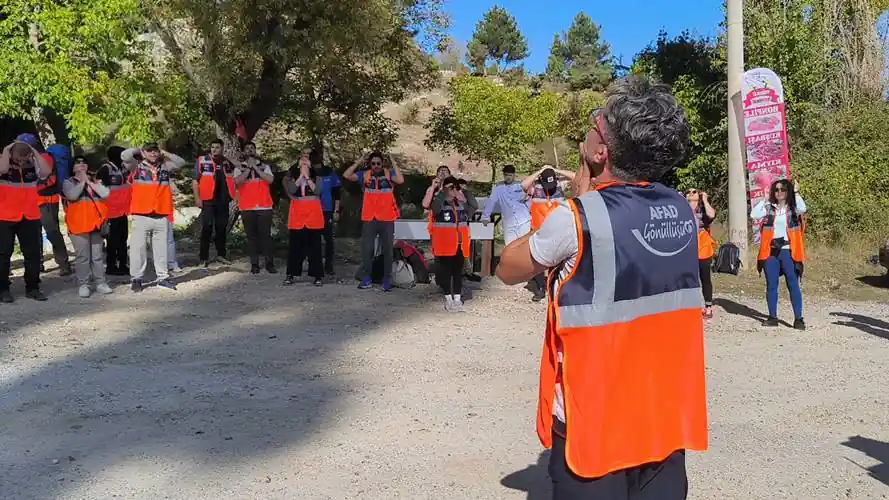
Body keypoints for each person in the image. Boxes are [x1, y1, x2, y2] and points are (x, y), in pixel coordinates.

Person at [495, 76, 708, 498]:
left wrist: (577, 198)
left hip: (594, 426)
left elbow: (508, 268)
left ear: (600, 151)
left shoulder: (576, 218)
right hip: (662, 420)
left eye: (596, 123)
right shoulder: (681, 210)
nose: (590, 126)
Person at [121, 143, 187, 292]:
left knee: (161, 248)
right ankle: (136, 278)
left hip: (161, 213)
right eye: (149, 151)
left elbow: (181, 163)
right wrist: (139, 151)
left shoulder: (165, 166)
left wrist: (165, 152)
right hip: (141, 213)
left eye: (155, 151)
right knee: (138, 249)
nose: (152, 153)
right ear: (143, 153)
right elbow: (124, 155)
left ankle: (162, 278)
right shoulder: (136, 166)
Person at [751, 178, 807, 330]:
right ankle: (772, 317)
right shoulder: (769, 208)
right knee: (771, 285)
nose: (779, 192)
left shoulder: (792, 208)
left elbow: (802, 208)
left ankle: (798, 319)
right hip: (771, 251)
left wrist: (796, 192)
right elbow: (753, 215)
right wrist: (764, 201)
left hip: (789, 251)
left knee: (793, 284)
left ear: (788, 191)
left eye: (783, 189)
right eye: (776, 190)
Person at [343, 151, 404, 291]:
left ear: (382, 163)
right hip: (370, 218)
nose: (376, 166)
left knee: (388, 251)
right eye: (373, 163)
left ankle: (387, 280)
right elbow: (346, 175)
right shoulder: (365, 175)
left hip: (387, 218)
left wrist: (393, 161)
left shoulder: (389, 174)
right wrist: (359, 161)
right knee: (367, 250)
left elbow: (400, 180)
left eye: (378, 163)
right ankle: (366, 279)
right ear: (370, 164)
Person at [0, 141, 53, 302]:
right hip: (5, 216)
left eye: (24, 158)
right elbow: (2, 169)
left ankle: (33, 288)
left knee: (33, 254)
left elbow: (46, 171)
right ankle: (3, 290)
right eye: (18, 159)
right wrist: (6, 149)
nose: (21, 162)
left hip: (30, 216)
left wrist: (34, 152)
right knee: (3, 254)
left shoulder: (32, 165)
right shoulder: (4, 163)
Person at [16, 134, 73, 276]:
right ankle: (38, 262)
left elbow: (42, 176)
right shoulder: (23, 160)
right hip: (32, 201)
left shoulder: (44, 158)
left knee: (52, 232)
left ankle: (63, 263)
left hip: (47, 200)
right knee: (34, 233)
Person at [522, 165, 575, 302]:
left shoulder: (560, 185)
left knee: (557, 260)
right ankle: (540, 288)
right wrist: (540, 171)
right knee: (538, 261)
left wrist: (556, 170)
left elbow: (575, 177)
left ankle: (554, 286)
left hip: (558, 229)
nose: (550, 187)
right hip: (538, 229)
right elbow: (523, 184)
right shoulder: (535, 187)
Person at [62, 157, 113, 298]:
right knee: (82, 257)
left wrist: (89, 182)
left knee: (97, 256)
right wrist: (82, 182)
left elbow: (105, 194)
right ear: (72, 168)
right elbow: (72, 196)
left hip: (96, 224)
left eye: (84, 162)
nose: (81, 165)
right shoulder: (68, 182)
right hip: (78, 225)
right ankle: (83, 284)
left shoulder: (95, 181)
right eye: (77, 163)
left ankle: (100, 282)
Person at [426, 176, 477, 312]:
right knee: (445, 273)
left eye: (454, 187)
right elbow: (434, 208)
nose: (452, 190)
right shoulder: (439, 203)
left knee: (457, 273)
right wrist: (442, 191)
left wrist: (463, 191)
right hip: (443, 245)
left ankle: (457, 298)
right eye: (450, 187)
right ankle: (448, 298)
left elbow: (474, 206)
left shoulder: (460, 204)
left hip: (458, 245)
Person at [193, 139, 237, 267]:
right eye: (212, 147)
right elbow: (195, 181)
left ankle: (221, 255)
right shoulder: (202, 160)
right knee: (207, 227)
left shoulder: (227, 162)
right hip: (208, 199)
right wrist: (197, 198)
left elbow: (235, 178)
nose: (214, 149)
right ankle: (203, 258)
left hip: (223, 200)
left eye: (217, 147)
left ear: (222, 148)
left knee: (221, 228)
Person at [234, 141, 276, 274]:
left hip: (264, 206)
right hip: (247, 207)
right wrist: (248, 169)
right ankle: (254, 264)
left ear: (255, 150)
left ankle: (269, 263)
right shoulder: (239, 168)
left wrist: (256, 168)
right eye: (247, 148)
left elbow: (270, 180)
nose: (250, 150)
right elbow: (237, 181)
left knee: (266, 236)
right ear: (244, 152)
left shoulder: (265, 166)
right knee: (252, 237)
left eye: (252, 148)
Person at [283, 155, 324, 286]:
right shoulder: (292, 179)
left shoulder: (318, 178)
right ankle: (291, 274)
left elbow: (318, 191)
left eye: (307, 161)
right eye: (302, 162)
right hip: (297, 217)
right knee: (295, 248)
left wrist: (307, 178)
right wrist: (300, 177)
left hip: (313, 217)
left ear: (311, 165)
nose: (304, 163)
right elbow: (292, 190)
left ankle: (317, 275)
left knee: (315, 248)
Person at [95, 146, 131, 276]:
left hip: (122, 211)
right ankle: (111, 266)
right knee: (112, 241)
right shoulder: (105, 170)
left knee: (123, 239)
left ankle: (123, 264)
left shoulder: (123, 169)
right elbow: (98, 190)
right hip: (110, 212)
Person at [310, 147, 342, 276]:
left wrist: (336, 210)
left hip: (327, 210)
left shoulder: (329, 172)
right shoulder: (308, 173)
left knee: (328, 239)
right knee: (313, 239)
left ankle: (329, 265)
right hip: (311, 210)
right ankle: (314, 264)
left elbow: (337, 193)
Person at [480, 164, 531, 245]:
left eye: (510, 175)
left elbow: (529, 201)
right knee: (510, 248)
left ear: (514, 175)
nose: (508, 177)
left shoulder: (521, 186)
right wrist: (485, 216)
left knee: (525, 246)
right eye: (506, 175)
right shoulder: (498, 188)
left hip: (524, 221)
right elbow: (491, 201)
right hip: (509, 224)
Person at [686, 188, 716, 319]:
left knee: (705, 278)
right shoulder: (681, 209)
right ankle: (692, 306)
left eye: (694, 191)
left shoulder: (703, 209)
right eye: (689, 192)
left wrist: (705, 199)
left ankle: (708, 306)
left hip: (703, 247)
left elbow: (712, 215)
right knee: (689, 279)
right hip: (687, 247)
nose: (691, 193)